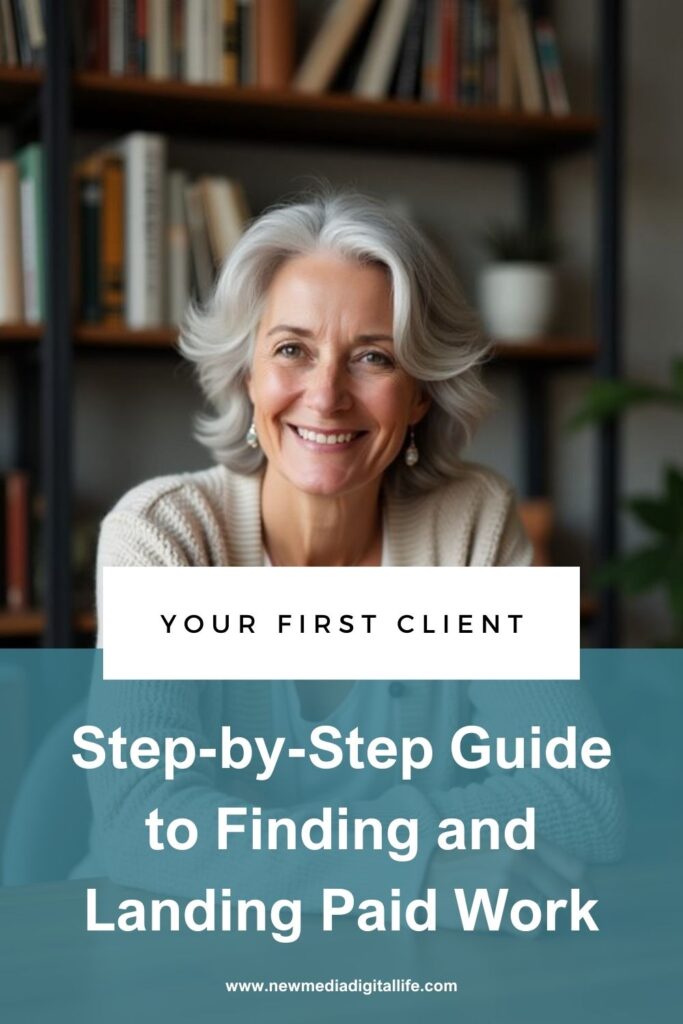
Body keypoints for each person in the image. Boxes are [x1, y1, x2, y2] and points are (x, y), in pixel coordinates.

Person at [85, 191, 623, 917]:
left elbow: (580, 797)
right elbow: (141, 827)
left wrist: (366, 867)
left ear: (420, 397)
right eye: (291, 351)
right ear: (248, 373)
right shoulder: (162, 538)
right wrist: (420, 871)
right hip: (167, 950)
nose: (327, 395)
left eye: (372, 357)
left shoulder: (472, 527)